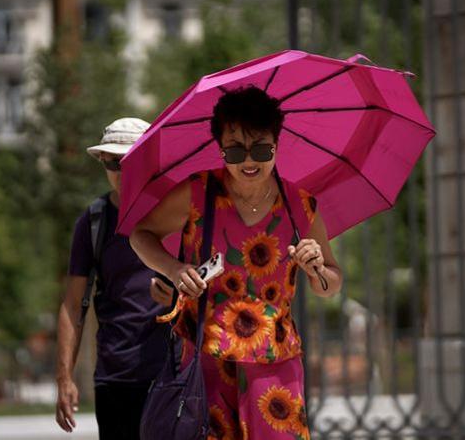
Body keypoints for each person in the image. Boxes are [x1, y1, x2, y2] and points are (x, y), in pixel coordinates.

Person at [131, 86, 343, 440]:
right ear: (220, 148)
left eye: (261, 149)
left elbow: (331, 284)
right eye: (235, 150)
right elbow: (142, 235)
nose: (248, 161)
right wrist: (173, 269)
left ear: (276, 145)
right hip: (207, 362)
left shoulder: (300, 205)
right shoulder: (198, 192)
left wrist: (318, 269)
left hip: (277, 365)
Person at [55, 117, 172, 440]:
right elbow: (72, 307)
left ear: (148, 160)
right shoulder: (92, 222)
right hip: (116, 375)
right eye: (111, 162)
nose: (120, 171)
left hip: (171, 371)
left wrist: (178, 297)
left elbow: (209, 281)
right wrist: (64, 378)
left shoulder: (178, 213)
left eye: (129, 160)